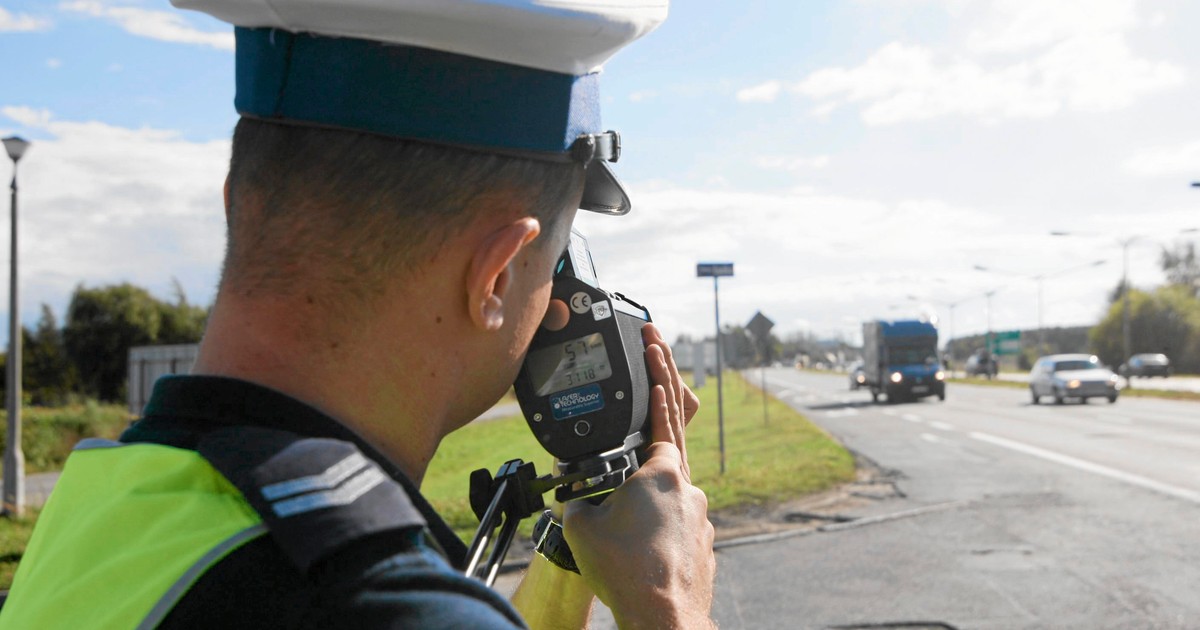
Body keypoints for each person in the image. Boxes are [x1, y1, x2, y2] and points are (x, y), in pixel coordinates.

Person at [0, 1, 716, 628]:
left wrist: (572, 539)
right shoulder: (376, 602)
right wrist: (668, 605)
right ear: (494, 276)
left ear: (236, 209)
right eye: (556, 262)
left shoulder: (104, 504)